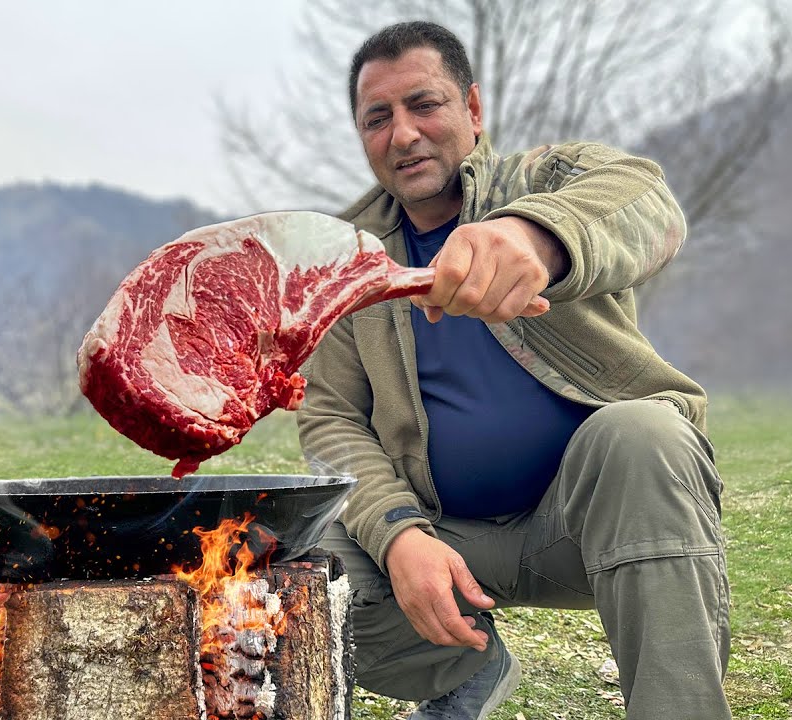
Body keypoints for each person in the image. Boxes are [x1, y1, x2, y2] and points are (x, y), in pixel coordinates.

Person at [296, 20, 729, 720]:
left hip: (591, 524)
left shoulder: (546, 181)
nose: (403, 134)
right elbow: (330, 419)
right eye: (379, 118)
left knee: (646, 434)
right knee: (302, 540)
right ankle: (462, 675)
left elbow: (647, 203)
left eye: (424, 105)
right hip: (444, 537)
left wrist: (535, 235)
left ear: (472, 110)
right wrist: (400, 535)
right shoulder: (349, 258)